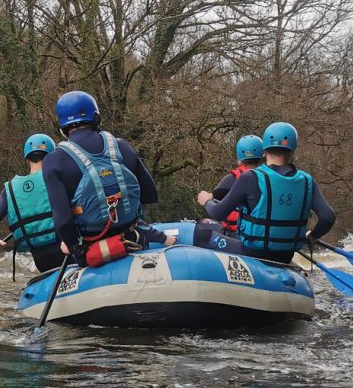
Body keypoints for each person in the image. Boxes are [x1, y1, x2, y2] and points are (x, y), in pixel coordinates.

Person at [42, 90, 175, 266]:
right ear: (96, 118)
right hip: (134, 240)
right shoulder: (122, 146)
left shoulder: (53, 161)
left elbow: (63, 221)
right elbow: (150, 194)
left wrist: (73, 247)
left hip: (94, 253)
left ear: (62, 127)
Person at [195, 122, 335, 264]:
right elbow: (328, 217)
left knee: (200, 233)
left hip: (252, 253)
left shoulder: (250, 178)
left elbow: (218, 213)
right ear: (293, 151)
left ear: (265, 150)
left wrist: (207, 201)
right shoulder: (307, 181)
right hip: (286, 256)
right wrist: (311, 237)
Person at [0, 133, 65, 272]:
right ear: (52, 155)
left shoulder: (10, 189)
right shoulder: (57, 178)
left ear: (27, 159)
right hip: (67, 251)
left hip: (41, 260)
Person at [211, 134, 264, 235]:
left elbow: (216, 195)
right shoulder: (268, 177)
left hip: (236, 232)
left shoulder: (233, 178)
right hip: (259, 232)